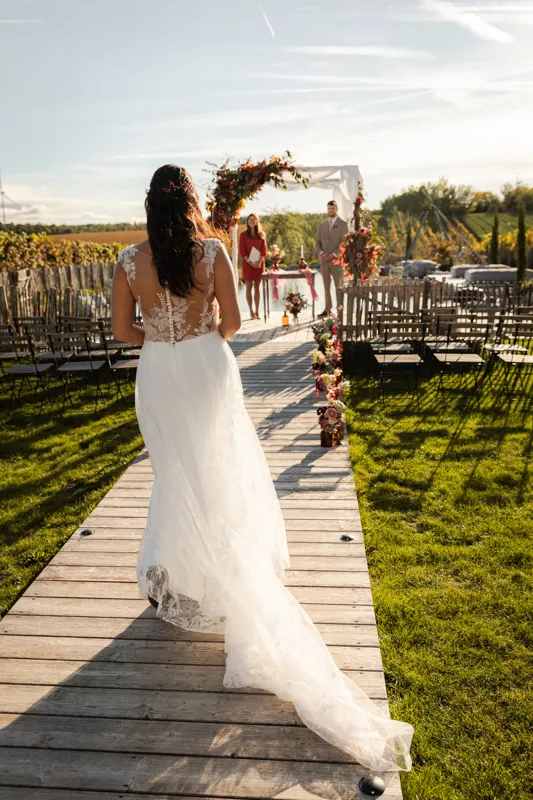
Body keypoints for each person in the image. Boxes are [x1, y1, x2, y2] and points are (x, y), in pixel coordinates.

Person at [112, 164, 413, 774]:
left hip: (159, 376)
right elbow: (231, 323)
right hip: (208, 368)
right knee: (218, 474)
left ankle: (189, 574)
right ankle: (220, 572)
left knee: (176, 477)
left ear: (149, 206)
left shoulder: (128, 261)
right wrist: (194, 333)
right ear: (192, 203)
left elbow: (123, 330)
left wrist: (161, 339)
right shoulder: (213, 252)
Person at [316, 200, 349, 317]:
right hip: (324, 261)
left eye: (333, 208)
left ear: (336, 209)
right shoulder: (322, 225)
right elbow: (318, 242)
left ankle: (340, 310)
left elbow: (344, 243)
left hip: (337, 261)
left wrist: (334, 254)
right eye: (329, 208)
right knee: (326, 287)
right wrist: (321, 253)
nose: (331, 210)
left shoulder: (343, 224)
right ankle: (327, 309)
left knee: (338, 286)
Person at [239, 212, 267, 319]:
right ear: (247, 221)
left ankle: (257, 311)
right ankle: (251, 311)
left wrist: (259, 262)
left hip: (259, 264)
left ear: (256, 221)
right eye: (250, 219)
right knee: (248, 288)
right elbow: (242, 251)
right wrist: (250, 262)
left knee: (257, 288)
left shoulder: (262, 235)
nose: (251, 221)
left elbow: (264, 250)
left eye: (253, 219)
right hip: (247, 264)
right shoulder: (243, 235)